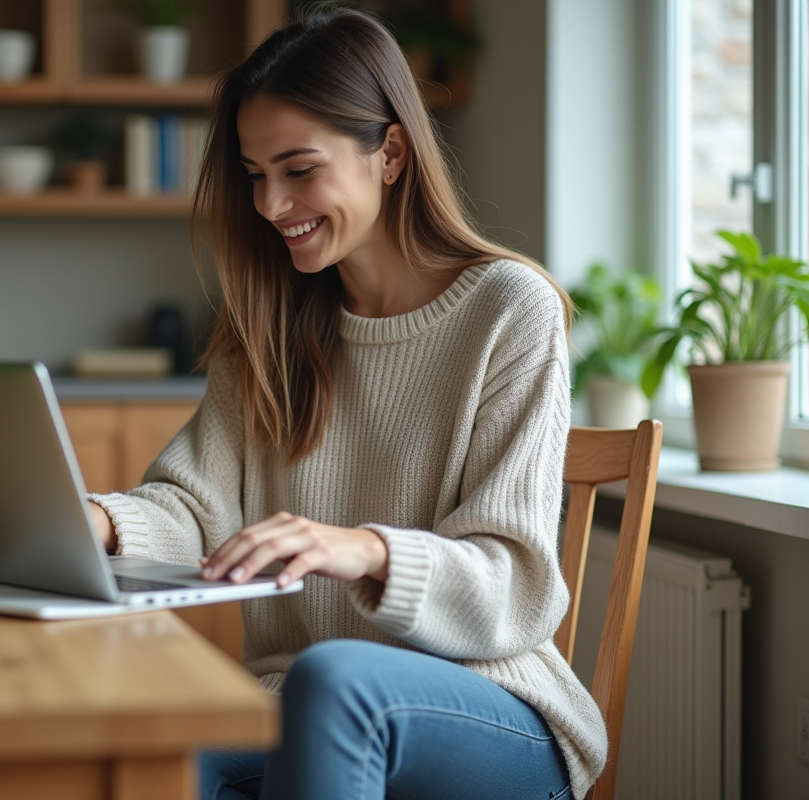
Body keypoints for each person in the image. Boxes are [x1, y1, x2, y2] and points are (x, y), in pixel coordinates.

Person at [86, 7, 606, 799]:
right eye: (255, 175)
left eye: (298, 169)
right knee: (144, 740)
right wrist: (98, 521)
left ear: (390, 151)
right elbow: (196, 510)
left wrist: (365, 549)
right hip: (297, 700)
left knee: (334, 684)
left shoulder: (509, 310)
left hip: (495, 708)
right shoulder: (269, 327)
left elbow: (514, 581)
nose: (269, 205)